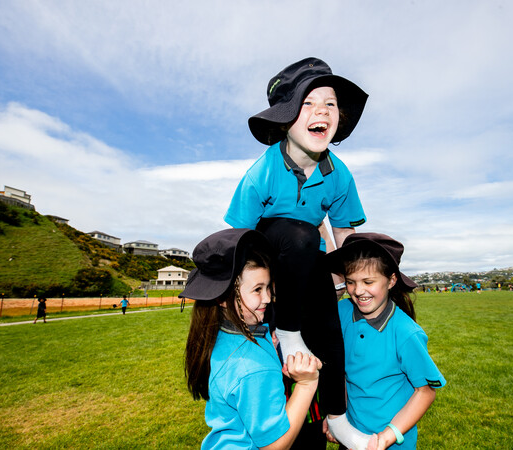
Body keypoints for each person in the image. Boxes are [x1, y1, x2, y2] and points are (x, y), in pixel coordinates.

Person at [224, 57, 369, 446]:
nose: (321, 109)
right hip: (268, 265)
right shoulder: (261, 173)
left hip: (310, 266)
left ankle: (336, 416)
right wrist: (251, 295)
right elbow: (238, 238)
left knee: (330, 331)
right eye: (308, 102)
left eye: (330, 103)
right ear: (286, 118)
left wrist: (348, 286)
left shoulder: (339, 175)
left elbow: (343, 238)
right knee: (300, 233)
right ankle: (287, 332)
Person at [184, 228, 322, 449]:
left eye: (268, 287)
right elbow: (276, 445)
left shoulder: (222, 335)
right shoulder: (252, 367)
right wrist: (307, 384)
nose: (268, 298)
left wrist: (268, 344)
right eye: (257, 289)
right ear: (222, 297)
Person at [326, 233, 446, 449]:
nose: (358, 291)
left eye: (368, 282)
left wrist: (387, 437)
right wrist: (335, 417)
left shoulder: (406, 333)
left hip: (390, 443)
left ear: (391, 280)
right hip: (350, 436)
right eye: (351, 282)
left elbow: (425, 392)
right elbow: (340, 370)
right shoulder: (341, 312)